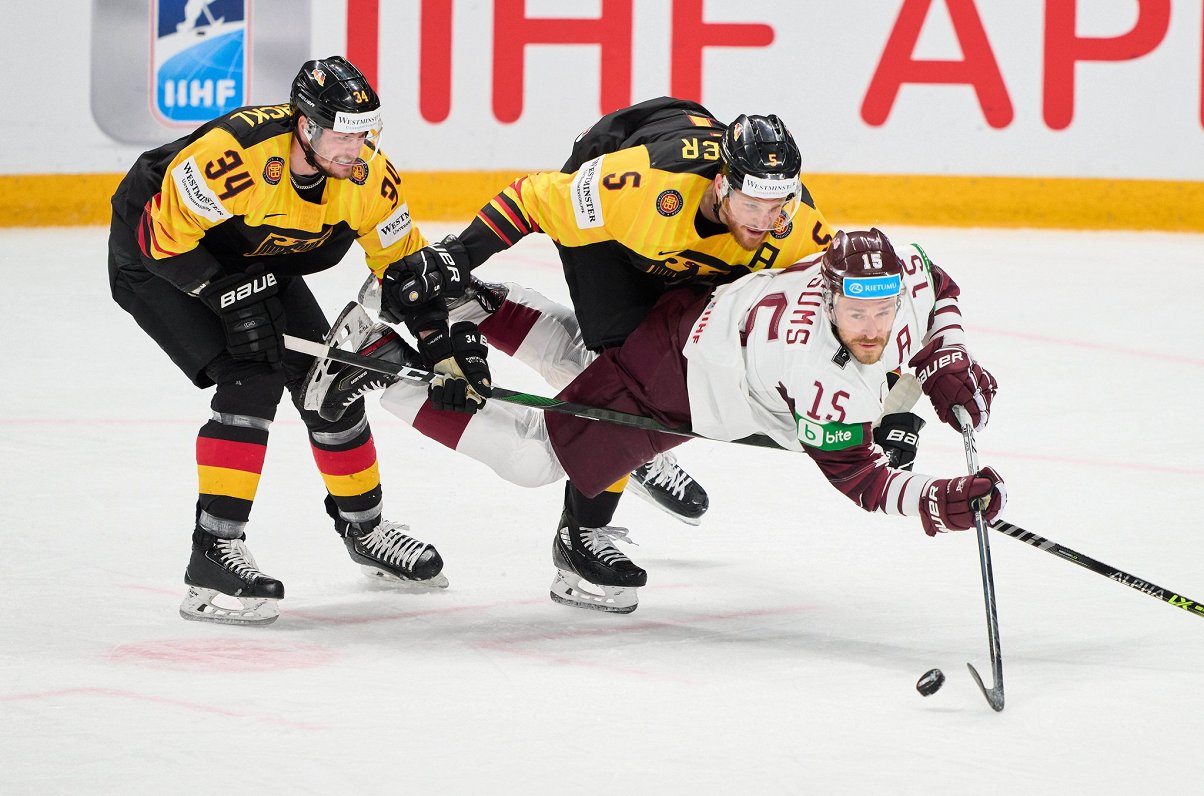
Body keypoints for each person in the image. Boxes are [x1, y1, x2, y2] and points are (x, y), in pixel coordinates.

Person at [308, 228, 1004, 613]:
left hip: (696, 317)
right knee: (535, 458)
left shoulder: (891, 275)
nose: (874, 327)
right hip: (677, 379)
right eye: (858, 314)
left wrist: (948, 355)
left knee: (578, 355)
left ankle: (472, 300)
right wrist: (936, 502)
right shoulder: (820, 376)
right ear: (828, 299)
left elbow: (936, 284)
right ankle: (380, 365)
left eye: (884, 312)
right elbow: (861, 481)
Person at [340, 98, 836, 543]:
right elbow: (533, 197)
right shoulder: (644, 190)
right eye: (752, 204)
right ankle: (585, 532)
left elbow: (858, 301)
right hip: (611, 180)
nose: (764, 221)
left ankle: (473, 306)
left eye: (778, 206)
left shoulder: (791, 226)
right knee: (623, 368)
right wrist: (457, 257)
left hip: (677, 226)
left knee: (654, 364)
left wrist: (894, 399)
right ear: (722, 184)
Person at [107, 56, 492, 625]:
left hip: (254, 257)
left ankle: (366, 529)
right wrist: (223, 295)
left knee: (327, 382)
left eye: (362, 135)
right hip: (160, 255)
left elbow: (405, 272)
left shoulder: (366, 179)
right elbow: (160, 239)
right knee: (251, 375)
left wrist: (441, 350)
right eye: (341, 134)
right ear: (305, 127)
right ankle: (212, 555)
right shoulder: (233, 159)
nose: (353, 149)